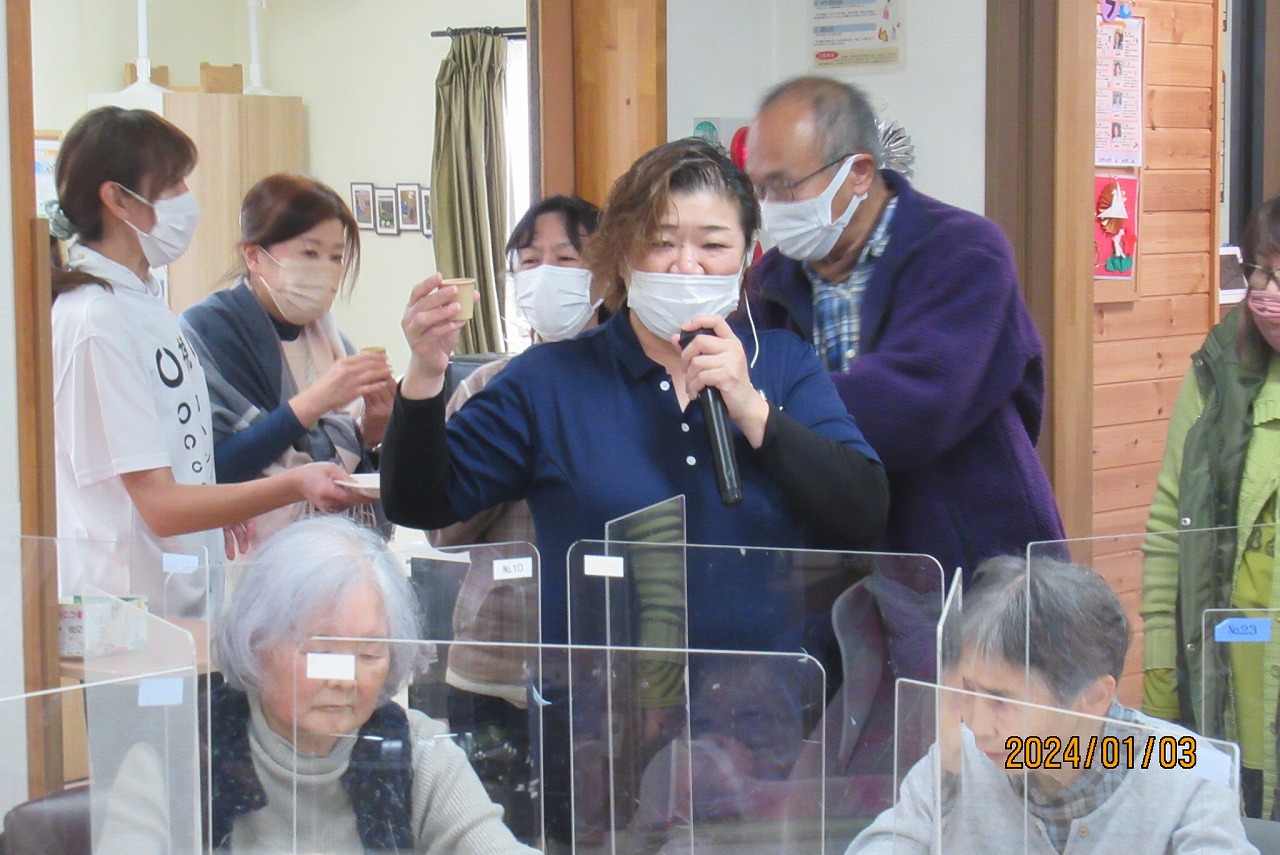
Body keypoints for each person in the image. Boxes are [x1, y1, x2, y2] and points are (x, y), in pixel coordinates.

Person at [382, 136, 888, 654]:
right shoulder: (549, 379)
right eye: (661, 243)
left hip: (760, 689)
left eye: (713, 246)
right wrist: (424, 375)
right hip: (596, 692)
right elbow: (421, 502)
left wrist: (751, 408)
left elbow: (863, 508)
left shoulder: (784, 362)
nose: (686, 265)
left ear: (746, 257)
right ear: (622, 255)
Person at [743, 76, 1063, 581]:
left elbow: (911, 406)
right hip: (838, 577)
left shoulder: (965, 251)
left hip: (977, 568)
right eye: (758, 188)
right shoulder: (769, 282)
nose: (768, 205)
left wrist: (765, 417)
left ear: (859, 173)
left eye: (783, 186)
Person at [49, 107, 361, 616]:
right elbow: (158, 504)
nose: (186, 200)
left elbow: (182, 460)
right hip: (126, 606)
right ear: (117, 199)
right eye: (172, 184)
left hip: (181, 590)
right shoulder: (95, 320)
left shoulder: (143, 302)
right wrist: (292, 484)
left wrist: (215, 506)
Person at [847, 555, 1257, 854]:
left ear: (1093, 697)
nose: (976, 723)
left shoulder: (1193, 769)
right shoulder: (960, 757)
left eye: (1001, 700)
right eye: (967, 690)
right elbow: (885, 843)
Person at [427, 194, 602, 840]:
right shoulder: (486, 388)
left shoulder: (627, 388)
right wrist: (512, 451)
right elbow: (442, 529)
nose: (545, 274)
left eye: (566, 258)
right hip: (492, 659)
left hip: (600, 672)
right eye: (530, 261)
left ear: (606, 272)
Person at [1143, 194, 1280, 819]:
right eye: (1257, 271)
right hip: (1228, 682)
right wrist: (1161, 678)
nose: (1264, 293)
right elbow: (1168, 528)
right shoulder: (1217, 372)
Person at [180, 173, 396, 544]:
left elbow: (342, 457)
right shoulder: (210, 329)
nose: (325, 269)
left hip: (331, 545)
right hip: (252, 549)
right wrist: (315, 401)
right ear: (254, 256)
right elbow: (215, 468)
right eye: (309, 253)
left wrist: (373, 431)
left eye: (336, 257)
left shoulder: (329, 337)